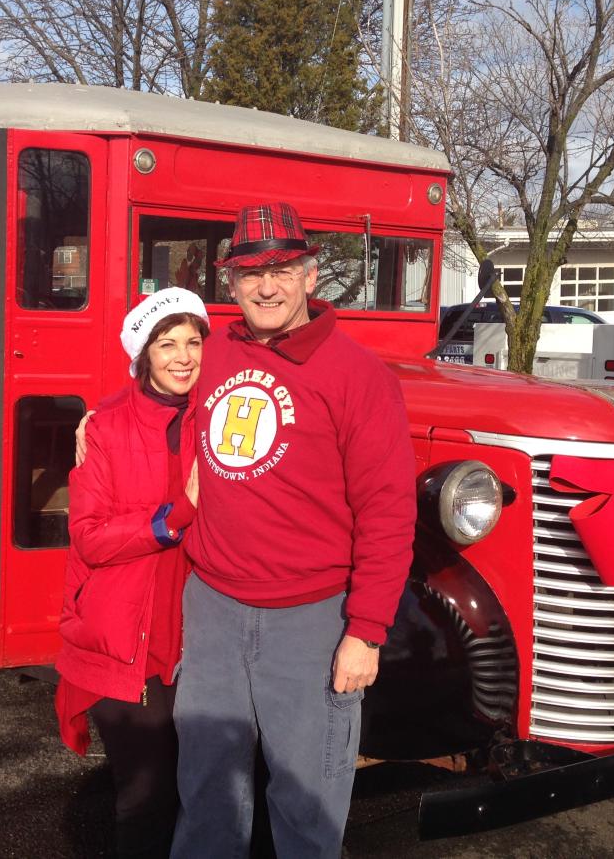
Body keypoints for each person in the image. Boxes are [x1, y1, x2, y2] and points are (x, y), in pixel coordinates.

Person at [170, 202, 417, 858]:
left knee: (307, 805)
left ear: (312, 276)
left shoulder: (358, 377)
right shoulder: (213, 350)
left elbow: (388, 512)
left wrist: (365, 632)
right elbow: (149, 393)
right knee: (207, 796)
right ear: (230, 284)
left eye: (282, 269)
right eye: (251, 273)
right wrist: (97, 424)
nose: (267, 286)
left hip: (312, 619)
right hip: (214, 607)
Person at [54, 287, 209, 859]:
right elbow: (89, 538)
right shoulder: (106, 427)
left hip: (196, 635)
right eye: (167, 343)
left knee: (203, 787)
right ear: (143, 354)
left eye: (193, 341)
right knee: (146, 794)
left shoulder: (217, 418)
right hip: (124, 640)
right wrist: (173, 518)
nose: (183, 356)